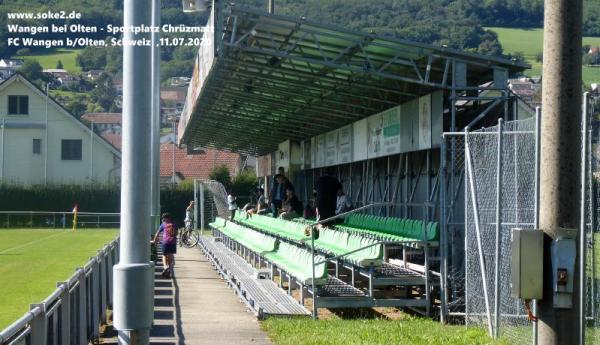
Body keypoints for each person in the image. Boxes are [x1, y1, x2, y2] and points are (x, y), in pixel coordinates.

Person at [152, 213, 178, 279]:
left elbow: (157, 233)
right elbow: (176, 233)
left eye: (163, 218)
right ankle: (169, 268)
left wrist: (154, 241)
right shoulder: (174, 224)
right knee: (170, 255)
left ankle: (165, 267)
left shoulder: (163, 224)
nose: (163, 219)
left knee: (164, 255)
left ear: (165, 218)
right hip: (173, 242)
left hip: (165, 242)